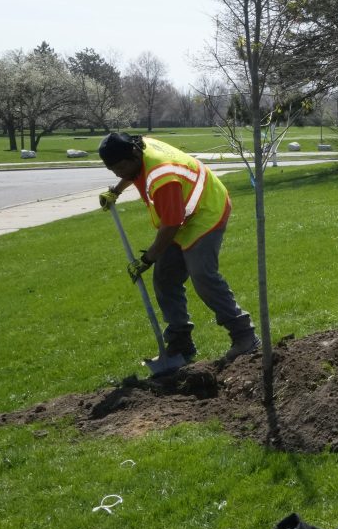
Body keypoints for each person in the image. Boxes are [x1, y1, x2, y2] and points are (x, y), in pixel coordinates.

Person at [97, 132, 259, 372]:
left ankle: (244, 335)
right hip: (183, 214)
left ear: (133, 154)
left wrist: (147, 258)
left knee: (202, 275)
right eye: (113, 170)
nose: (119, 173)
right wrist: (116, 190)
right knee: (165, 277)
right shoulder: (139, 147)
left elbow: (171, 225)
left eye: (120, 167)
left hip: (206, 212)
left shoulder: (162, 176)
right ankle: (180, 343)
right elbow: (134, 174)